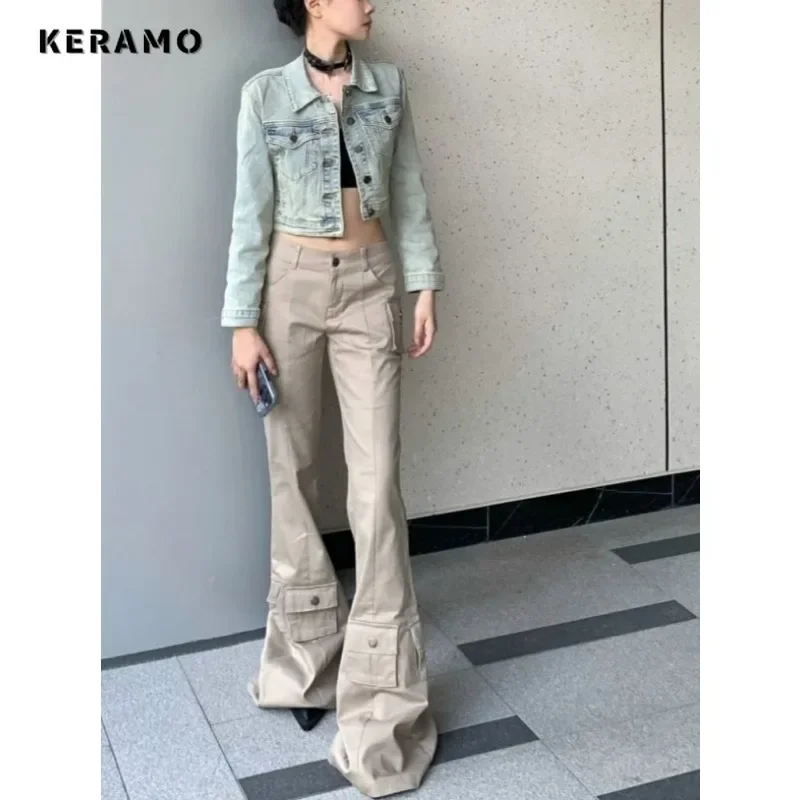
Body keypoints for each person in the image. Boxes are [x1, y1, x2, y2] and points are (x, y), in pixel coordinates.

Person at [219, 0, 444, 796]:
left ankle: (383, 708)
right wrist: (241, 322)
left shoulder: (390, 86)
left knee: (376, 488)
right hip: (290, 288)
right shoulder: (265, 95)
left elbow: (409, 191)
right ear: (313, 0)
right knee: (294, 475)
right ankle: (303, 668)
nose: (370, 2)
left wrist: (425, 281)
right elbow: (250, 214)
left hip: (372, 286)